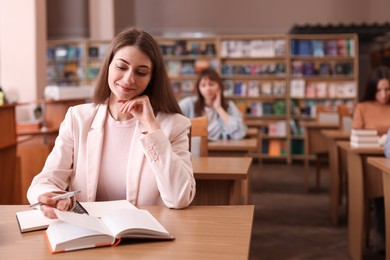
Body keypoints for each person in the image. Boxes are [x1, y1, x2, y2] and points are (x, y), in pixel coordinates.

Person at [27, 27, 196, 219]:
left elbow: (179, 198)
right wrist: (51, 197)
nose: (128, 79)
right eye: (122, 67)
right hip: (89, 232)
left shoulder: (174, 125)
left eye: (141, 72)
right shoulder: (78, 118)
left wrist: (152, 128)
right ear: (108, 65)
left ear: (152, 79)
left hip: (146, 237)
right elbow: (45, 180)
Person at [352, 65, 390, 252]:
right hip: (371, 160)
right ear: (372, 89)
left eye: (388, 89)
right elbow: (356, 133)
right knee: (381, 195)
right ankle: (383, 237)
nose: (384, 94)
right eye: (379, 90)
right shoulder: (363, 107)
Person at [179, 68, 247, 141]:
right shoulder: (188, 104)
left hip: (220, 149)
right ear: (198, 88)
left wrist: (219, 108)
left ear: (219, 86)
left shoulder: (229, 106)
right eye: (203, 85)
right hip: (194, 150)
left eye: (211, 84)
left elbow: (240, 133)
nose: (208, 88)